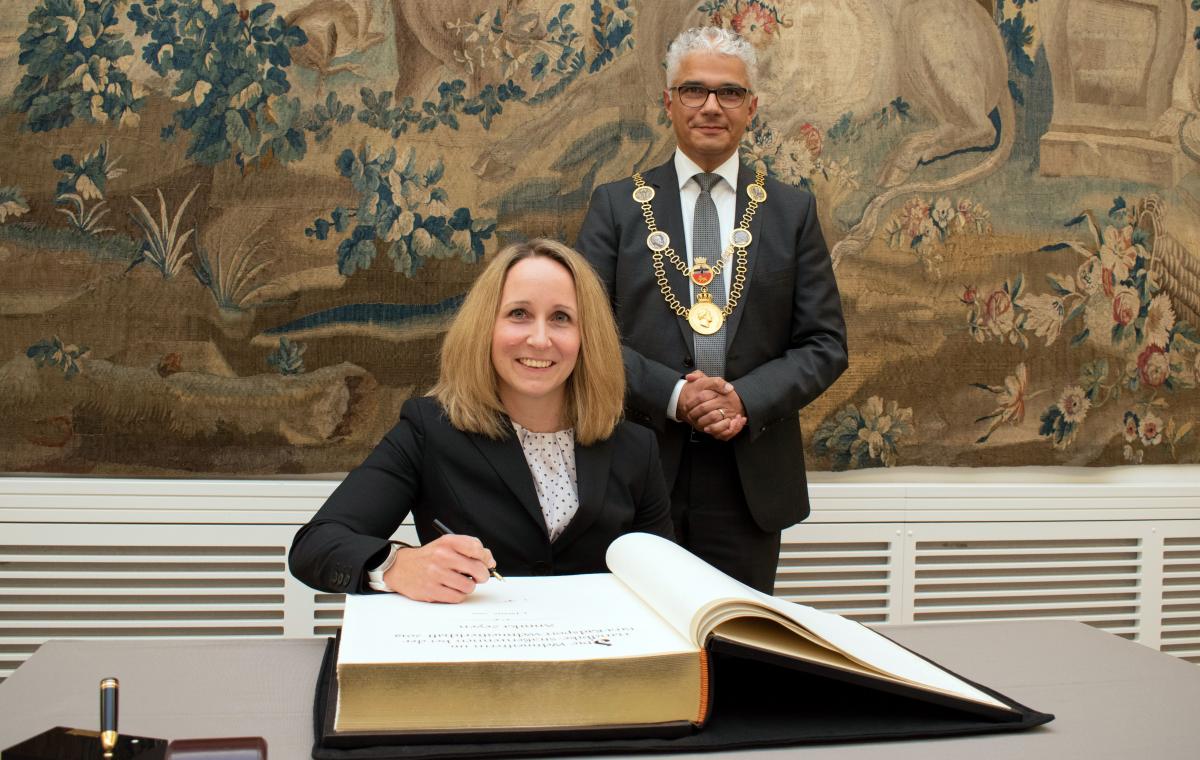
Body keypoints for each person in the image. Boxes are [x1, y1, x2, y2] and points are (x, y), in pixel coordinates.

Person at [576, 26, 848, 594]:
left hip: (748, 475)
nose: (710, 106)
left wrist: (742, 399)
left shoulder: (791, 211)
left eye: (728, 93)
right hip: (638, 461)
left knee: (739, 649)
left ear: (751, 108)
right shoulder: (616, 207)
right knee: (640, 651)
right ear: (668, 102)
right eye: (694, 90)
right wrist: (678, 396)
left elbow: (825, 344)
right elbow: (585, 336)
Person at [289, 239, 673, 602]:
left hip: (601, 665)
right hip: (475, 663)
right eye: (518, 314)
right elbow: (315, 546)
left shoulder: (637, 449)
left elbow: (664, 581)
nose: (540, 339)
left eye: (561, 317)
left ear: (587, 336)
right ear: (485, 327)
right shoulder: (428, 430)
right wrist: (396, 565)